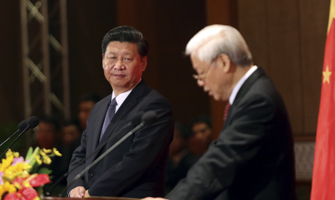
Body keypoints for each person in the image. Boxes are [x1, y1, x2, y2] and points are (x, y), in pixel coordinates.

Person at [143, 24, 296, 200]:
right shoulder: (249, 95)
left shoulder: (258, 100)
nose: (200, 82)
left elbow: (221, 162)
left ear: (224, 62)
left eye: (201, 73)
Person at [67, 26, 174, 198]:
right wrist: (75, 185)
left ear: (143, 63)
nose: (118, 65)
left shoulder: (155, 106)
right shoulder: (99, 108)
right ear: (103, 60)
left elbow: (137, 161)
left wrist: (92, 193)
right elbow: (82, 153)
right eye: (112, 58)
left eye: (127, 59)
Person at [165, 122, 196, 192]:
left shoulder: (192, 161)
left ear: (184, 139)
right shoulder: (166, 162)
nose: (171, 141)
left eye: (176, 136)